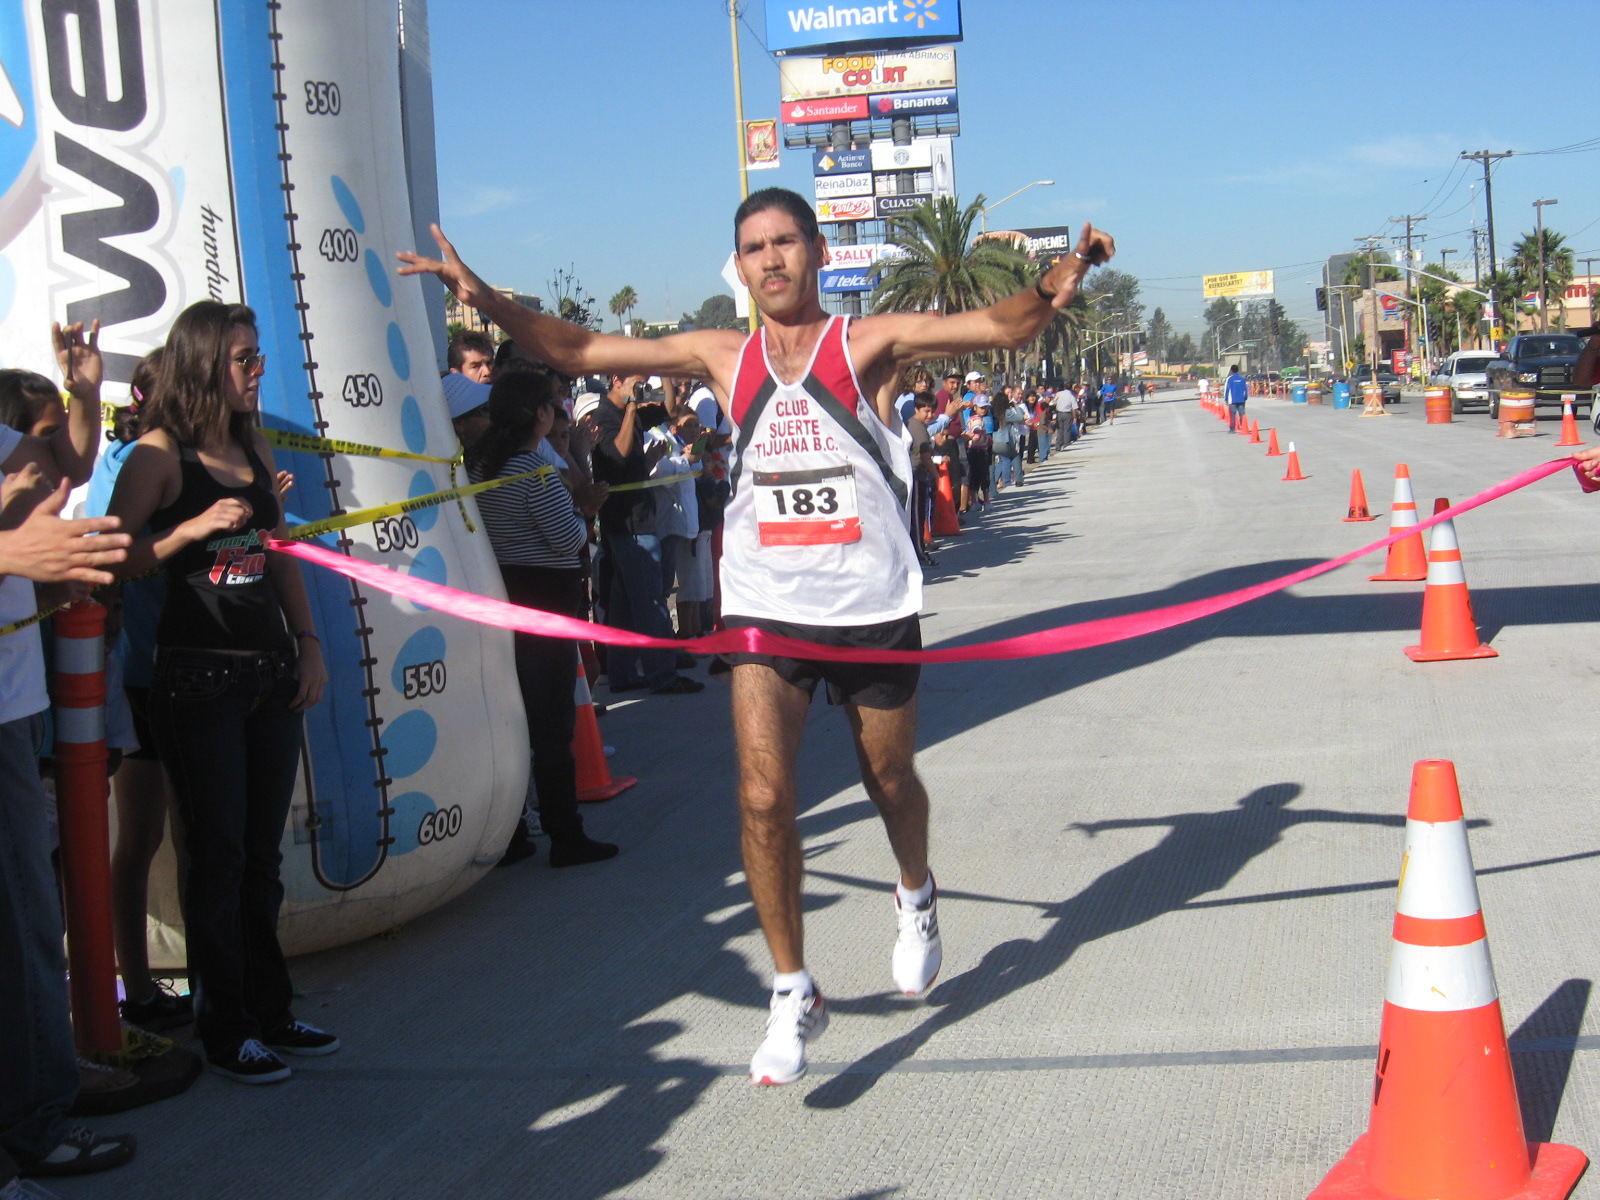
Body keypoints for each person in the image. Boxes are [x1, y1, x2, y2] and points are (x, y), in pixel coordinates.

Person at [399, 185, 1114, 1086]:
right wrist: (484, 296)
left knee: (889, 778)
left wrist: (1068, 269)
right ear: (737, 267)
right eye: (753, 247)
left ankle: (916, 891)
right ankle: (791, 988)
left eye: (785, 242)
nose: (770, 259)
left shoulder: (866, 343)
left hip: (869, 607)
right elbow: (576, 349)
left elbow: (1003, 326)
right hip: (765, 607)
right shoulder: (719, 355)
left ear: (814, 251)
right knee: (766, 796)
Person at [106, 301, 337, 1085]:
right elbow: (117, 559)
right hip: (196, 679)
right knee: (220, 855)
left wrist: (308, 645)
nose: (256, 369)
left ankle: (270, 1011)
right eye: (243, 358)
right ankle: (225, 1026)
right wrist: (191, 527)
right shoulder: (158, 456)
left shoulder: (249, 441)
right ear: (205, 362)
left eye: (258, 355)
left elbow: (279, 556)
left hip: (268, 672)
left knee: (263, 857)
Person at [0, 324, 140, 1184]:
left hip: (13, 715)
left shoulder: (13, 448)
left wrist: (84, 393)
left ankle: (34, 1117)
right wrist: (13, 552)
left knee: (21, 923)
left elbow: (69, 467)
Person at [467, 372, 618, 867]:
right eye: (553, 404)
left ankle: (510, 835)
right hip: (547, 605)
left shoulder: (480, 468)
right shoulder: (534, 470)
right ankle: (565, 834)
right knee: (552, 727)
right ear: (539, 414)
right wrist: (587, 511)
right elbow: (566, 540)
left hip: (503, 595)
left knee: (508, 723)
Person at [588, 374, 703, 695]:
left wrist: (665, 372)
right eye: (636, 382)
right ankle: (662, 673)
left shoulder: (632, 411)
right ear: (616, 381)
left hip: (637, 516)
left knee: (624, 602)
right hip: (626, 522)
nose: (640, 391)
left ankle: (623, 672)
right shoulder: (606, 416)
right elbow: (618, 453)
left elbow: (668, 409)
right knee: (651, 600)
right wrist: (631, 408)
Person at [1224, 363, 1248, 431]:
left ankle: (1232, 428)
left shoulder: (1230, 379)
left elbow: (1227, 389)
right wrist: (1245, 397)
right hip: (1241, 399)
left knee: (1232, 414)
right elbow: (1245, 389)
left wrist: (1226, 399)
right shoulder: (1242, 378)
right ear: (1238, 370)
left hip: (1232, 400)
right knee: (1242, 414)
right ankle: (1243, 427)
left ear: (1231, 371)